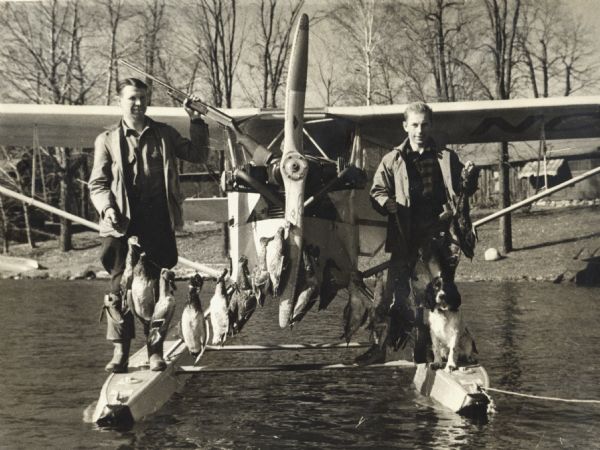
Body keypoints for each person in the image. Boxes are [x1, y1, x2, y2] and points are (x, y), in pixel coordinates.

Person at [89, 77, 209, 373]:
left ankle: (155, 350)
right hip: (121, 224)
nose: (138, 103)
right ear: (120, 101)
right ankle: (120, 353)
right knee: (119, 288)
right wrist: (107, 209)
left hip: (157, 223)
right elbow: (98, 184)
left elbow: (198, 154)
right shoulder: (106, 140)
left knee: (159, 289)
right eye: (132, 98)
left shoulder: (164, 134)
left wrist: (196, 120)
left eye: (142, 98)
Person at [356, 101, 479, 366]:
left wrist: (471, 178)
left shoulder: (447, 158)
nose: (419, 130)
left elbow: (462, 191)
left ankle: (433, 356)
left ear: (430, 126)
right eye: (414, 124)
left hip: (437, 239)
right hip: (404, 238)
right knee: (391, 298)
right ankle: (380, 350)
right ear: (405, 126)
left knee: (437, 297)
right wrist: (385, 202)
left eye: (424, 124)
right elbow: (376, 190)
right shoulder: (392, 159)